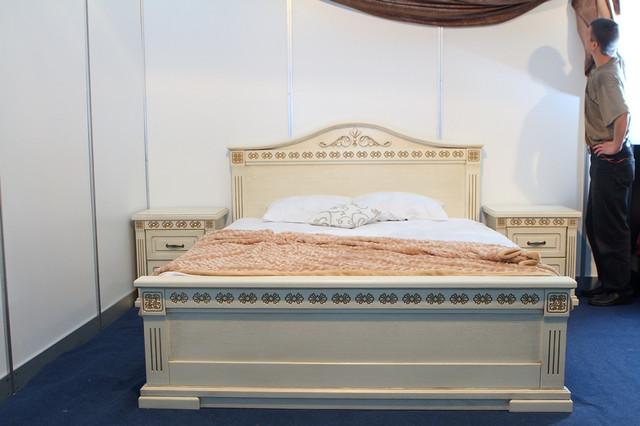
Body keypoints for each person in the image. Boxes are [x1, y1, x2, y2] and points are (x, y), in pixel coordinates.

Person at [581, 18, 635, 306]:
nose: (584, 36)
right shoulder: (611, 63)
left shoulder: (607, 76)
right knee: (595, 223)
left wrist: (615, 144)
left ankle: (619, 289)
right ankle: (607, 283)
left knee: (610, 228)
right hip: (605, 162)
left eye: (587, 34)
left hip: (612, 162)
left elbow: (622, 113)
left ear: (594, 44)